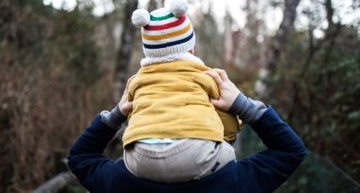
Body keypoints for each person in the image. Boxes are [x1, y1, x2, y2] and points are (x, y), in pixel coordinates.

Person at [68, 68, 308, 193]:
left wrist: (117, 114)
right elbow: (291, 151)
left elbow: (80, 157)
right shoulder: (230, 183)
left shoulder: (120, 182)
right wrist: (242, 104)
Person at [121, 0, 242, 182]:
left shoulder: (136, 81)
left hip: (139, 157)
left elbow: (132, 115)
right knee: (227, 154)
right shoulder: (205, 75)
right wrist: (229, 134)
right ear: (190, 49)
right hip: (193, 153)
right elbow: (224, 115)